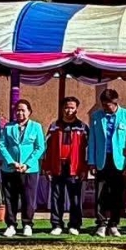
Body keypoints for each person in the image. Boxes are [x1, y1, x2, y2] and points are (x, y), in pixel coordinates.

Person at [88, 89, 126, 237]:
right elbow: (92, 140)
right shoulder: (96, 116)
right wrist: (91, 162)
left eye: (108, 105)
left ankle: (114, 224)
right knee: (100, 193)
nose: (105, 108)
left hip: (120, 160)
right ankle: (101, 223)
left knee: (118, 193)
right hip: (102, 159)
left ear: (115, 102)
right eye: (103, 105)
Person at [0, 99, 45, 237]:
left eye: (23, 110)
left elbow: (40, 147)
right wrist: (11, 162)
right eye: (17, 110)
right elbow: (1, 145)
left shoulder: (36, 127)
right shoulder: (8, 127)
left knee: (28, 198)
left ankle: (27, 224)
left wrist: (27, 164)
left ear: (29, 112)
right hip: (10, 169)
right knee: (10, 198)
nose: (20, 113)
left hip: (29, 170)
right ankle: (11, 225)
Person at [43, 96, 89, 236]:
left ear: (76, 109)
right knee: (57, 196)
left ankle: (74, 225)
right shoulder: (54, 127)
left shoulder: (83, 127)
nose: (69, 110)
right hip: (57, 166)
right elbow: (47, 149)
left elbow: (88, 150)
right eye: (67, 107)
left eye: (72, 108)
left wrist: (84, 169)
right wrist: (47, 167)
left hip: (75, 167)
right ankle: (57, 224)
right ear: (62, 109)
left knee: (75, 198)